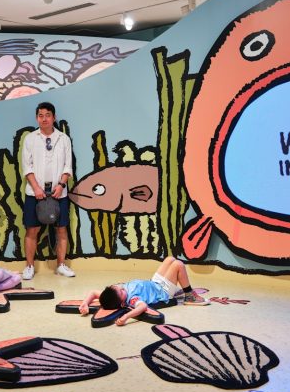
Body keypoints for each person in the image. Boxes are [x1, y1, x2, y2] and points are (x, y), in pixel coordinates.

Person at [20, 101, 75, 280]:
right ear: (37, 118)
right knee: (32, 230)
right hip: (34, 193)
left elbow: (68, 166)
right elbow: (26, 166)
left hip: (60, 192)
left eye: (47, 115)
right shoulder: (30, 138)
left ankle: (61, 265)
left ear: (54, 117)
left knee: (61, 230)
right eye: (40, 115)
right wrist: (36, 187)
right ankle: (29, 266)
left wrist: (61, 185)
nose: (44, 119)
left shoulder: (64, 139)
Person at [78, 256, 210, 325]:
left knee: (170, 259)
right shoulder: (132, 299)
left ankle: (183, 289)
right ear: (123, 303)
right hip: (163, 290)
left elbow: (94, 292)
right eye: (121, 292)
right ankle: (189, 296)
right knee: (178, 264)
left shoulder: (113, 293)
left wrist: (85, 303)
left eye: (117, 287)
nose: (121, 288)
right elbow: (142, 307)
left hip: (154, 282)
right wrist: (126, 317)